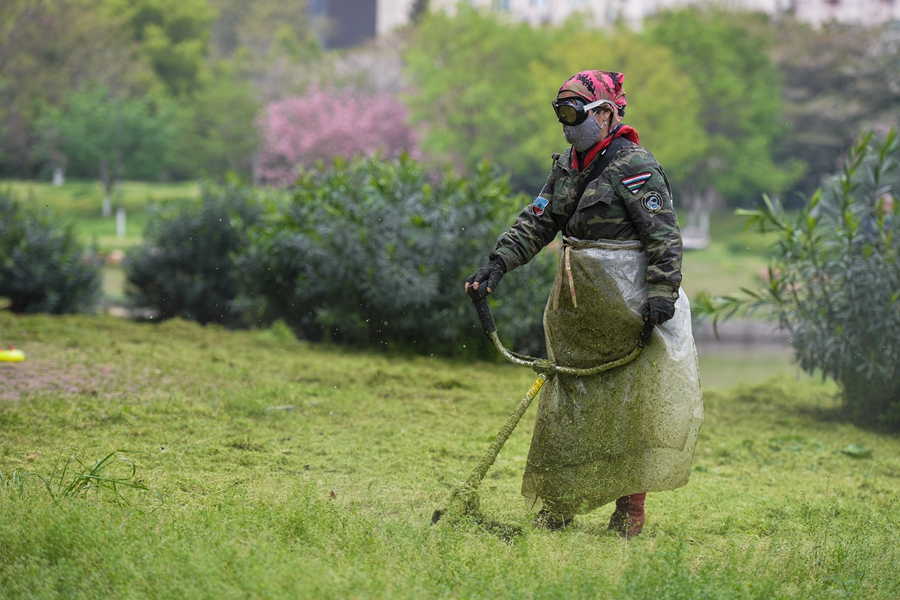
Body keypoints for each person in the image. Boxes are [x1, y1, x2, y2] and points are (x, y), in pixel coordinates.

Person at [465, 70, 702, 538]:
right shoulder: (567, 166)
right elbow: (537, 222)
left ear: (608, 113)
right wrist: (497, 264)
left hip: (633, 306)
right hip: (578, 308)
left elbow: (664, 239)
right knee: (569, 403)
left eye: (575, 113)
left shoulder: (636, 166)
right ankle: (559, 507)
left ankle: (628, 513)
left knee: (631, 407)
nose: (568, 123)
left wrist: (660, 295)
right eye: (562, 113)